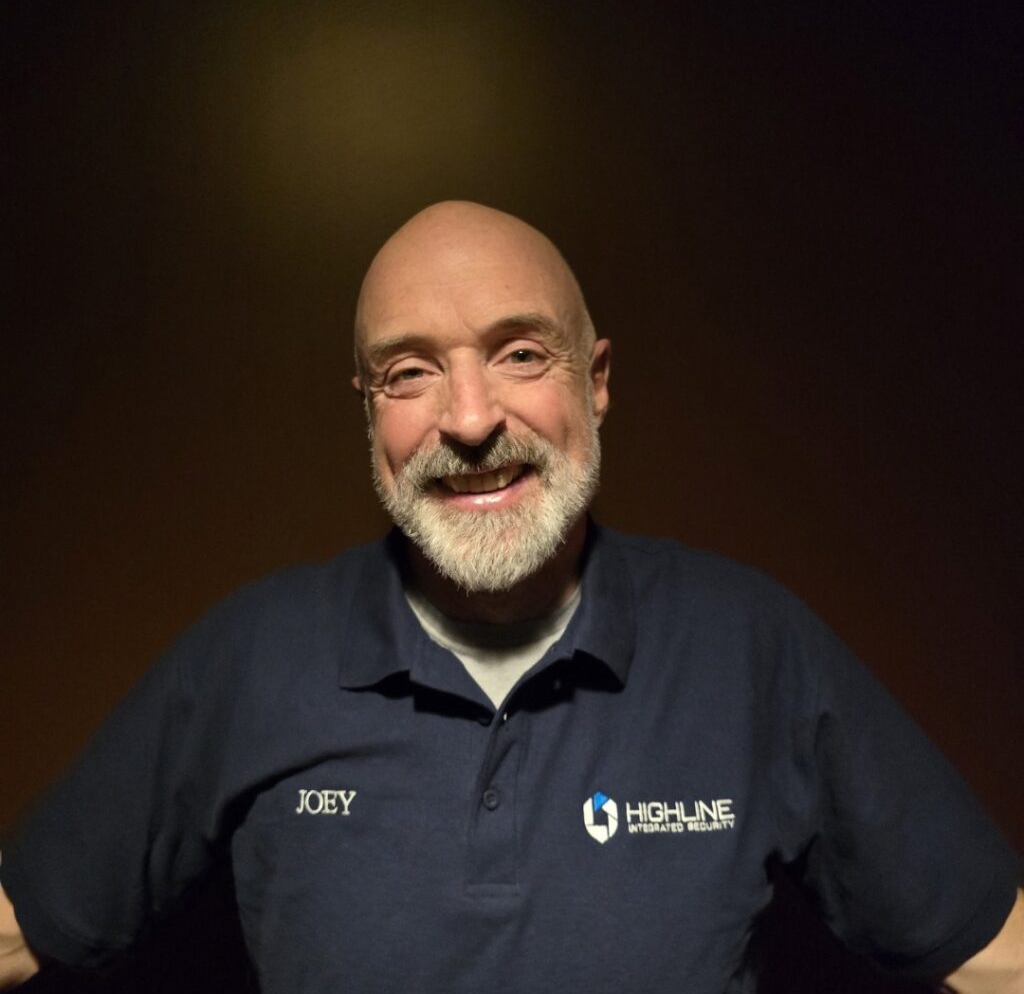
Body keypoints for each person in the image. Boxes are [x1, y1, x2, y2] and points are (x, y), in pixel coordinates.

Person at [0, 201, 1021, 993]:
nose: (473, 417)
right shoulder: (247, 657)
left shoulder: (749, 644)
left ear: (597, 381)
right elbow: (28, 916)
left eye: (519, 352)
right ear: (367, 414)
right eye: (409, 372)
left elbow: (990, 948)